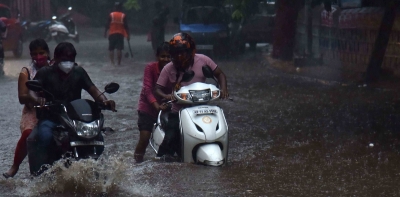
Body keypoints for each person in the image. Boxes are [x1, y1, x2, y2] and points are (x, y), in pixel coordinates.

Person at [31, 42, 116, 168]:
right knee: (45, 137)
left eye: (71, 59)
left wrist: (104, 101)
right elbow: (32, 90)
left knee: (98, 137)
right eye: (64, 59)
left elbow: (94, 90)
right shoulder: (45, 72)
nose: (68, 63)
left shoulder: (79, 72)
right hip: (52, 117)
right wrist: (38, 100)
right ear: (56, 58)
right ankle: (45, 169)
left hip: (74, 119)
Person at [154, 33, 229, 158]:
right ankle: (161, 162)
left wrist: (224, 89)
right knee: (170, 138)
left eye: (182, 52)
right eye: (176, 53)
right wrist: (166, 96)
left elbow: (220, 74)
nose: (179, 56)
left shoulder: (204, 60)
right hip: (178, 110)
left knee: (219, 130)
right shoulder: (168, 68)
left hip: (204, 108)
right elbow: (157, 88)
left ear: (190, 51)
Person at [3, 39, 51, 178]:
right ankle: (15, 166)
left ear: (48, 53)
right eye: (34, 54)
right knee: (27, 135)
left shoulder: (56, 68)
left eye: (41, 53)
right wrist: (34, 99)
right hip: (33, 110)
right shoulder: (27, 72)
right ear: (30, 55)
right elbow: (22, 97)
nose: (38, 57)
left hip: (54, 109)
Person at [133, 42, 172, 163]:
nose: (166, 59)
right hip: (148, 108)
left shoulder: (175, 69)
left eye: (168, 56)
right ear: (157, 56)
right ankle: (137, 162)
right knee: (145, 137)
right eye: (163, 56)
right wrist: (157, 106)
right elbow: (147, 90)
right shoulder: (150, 68)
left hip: (168, 107)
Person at [104, 2, 130, 66]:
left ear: (115, 7)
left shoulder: (111, 15)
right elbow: (126, 26)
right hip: (120, 34)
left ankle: (112, 63)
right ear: (120, 8)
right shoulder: (123, 15)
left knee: (111, 49)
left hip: (112, 34)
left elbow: (107, 25)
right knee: (119, 49)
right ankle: (119, 63)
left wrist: (105, 32)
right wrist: (128, 35)